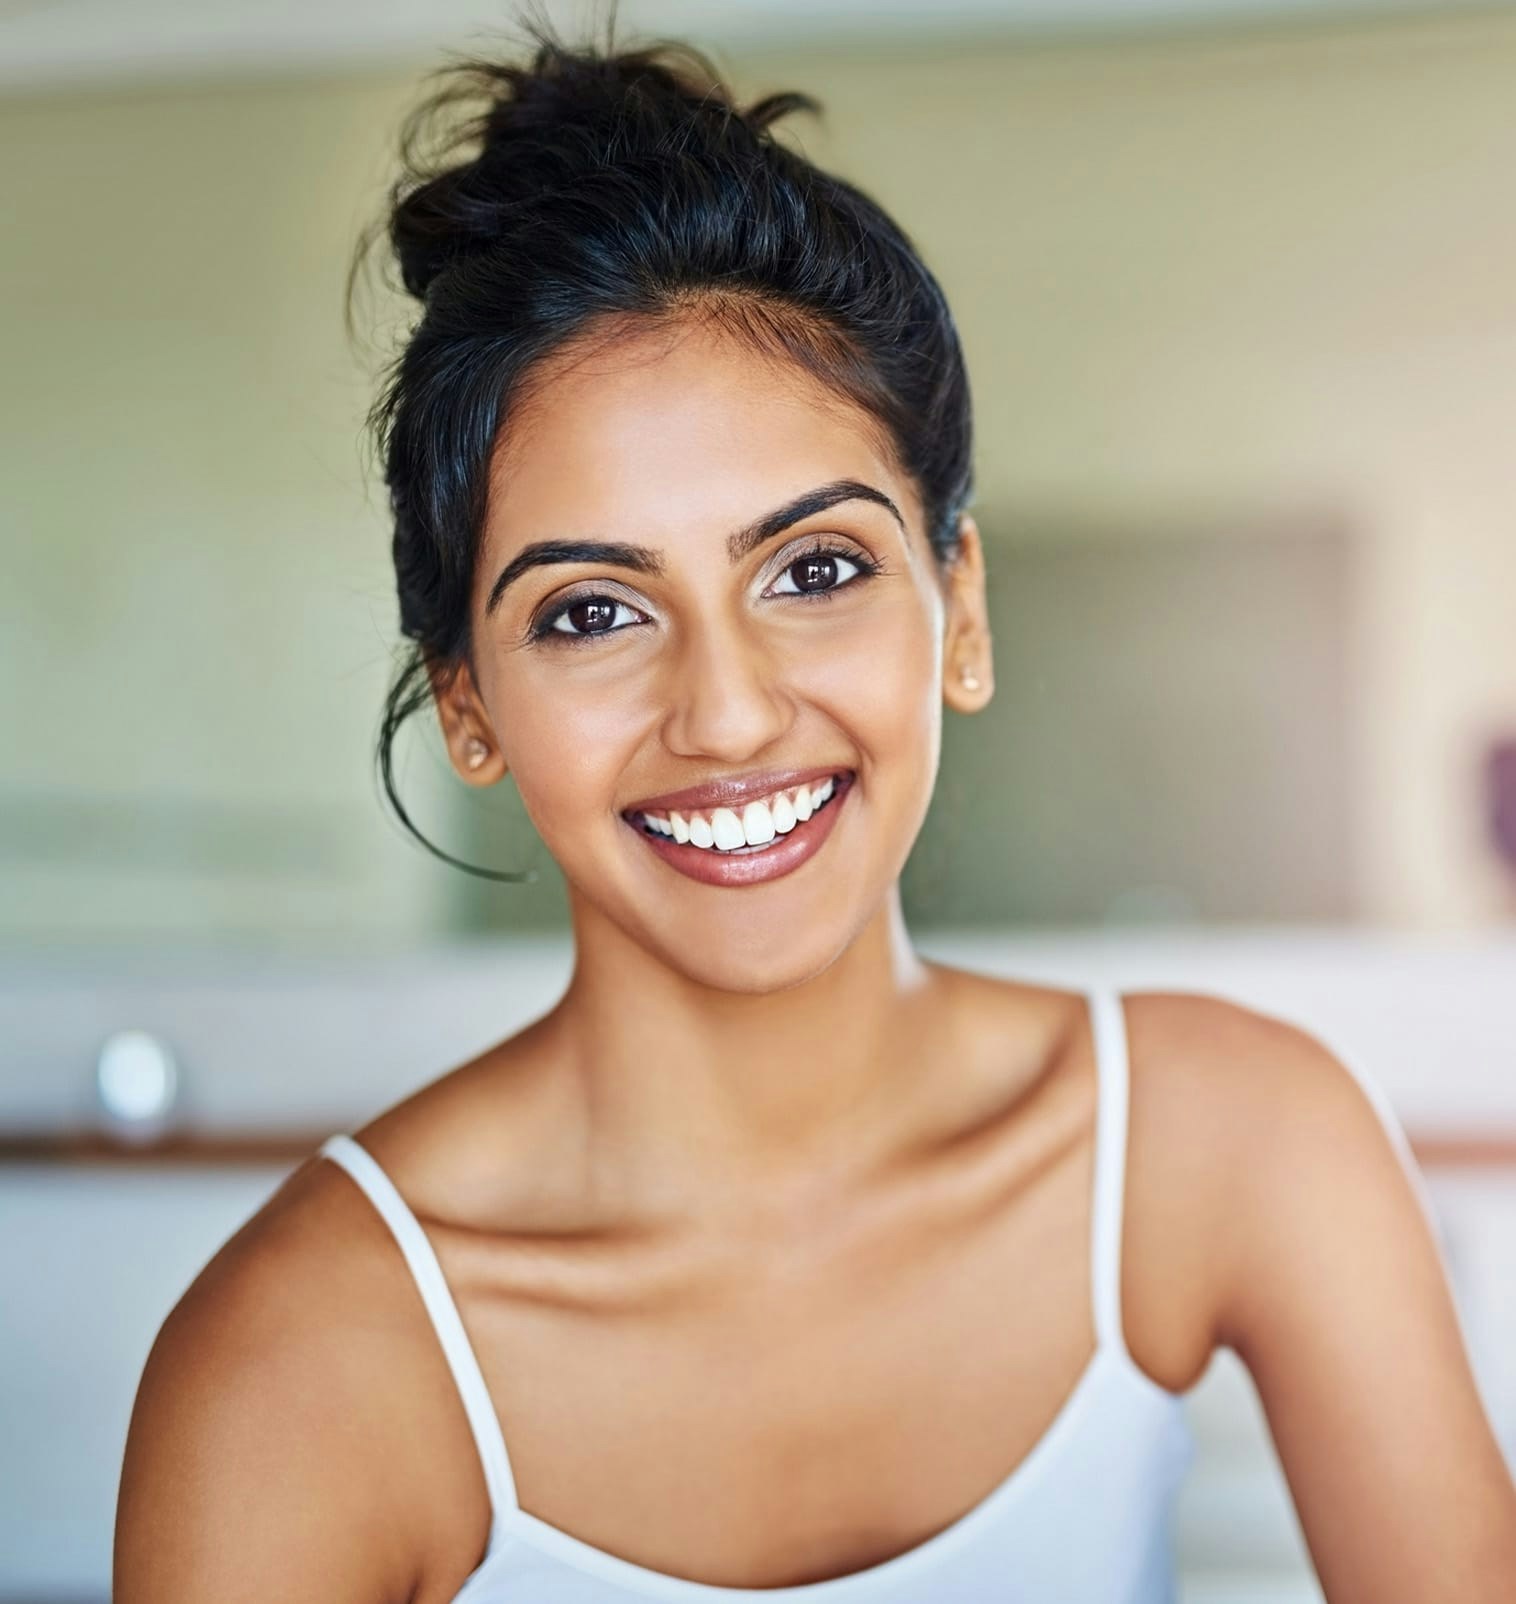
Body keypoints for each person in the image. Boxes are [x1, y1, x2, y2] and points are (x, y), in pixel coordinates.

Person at [114, 14, 1516, 1602]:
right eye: (590, 610)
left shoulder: (1237, 1147)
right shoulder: (300, 1369)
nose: (726, 713)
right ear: (466, 706)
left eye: (818, 570)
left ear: (960, 608)